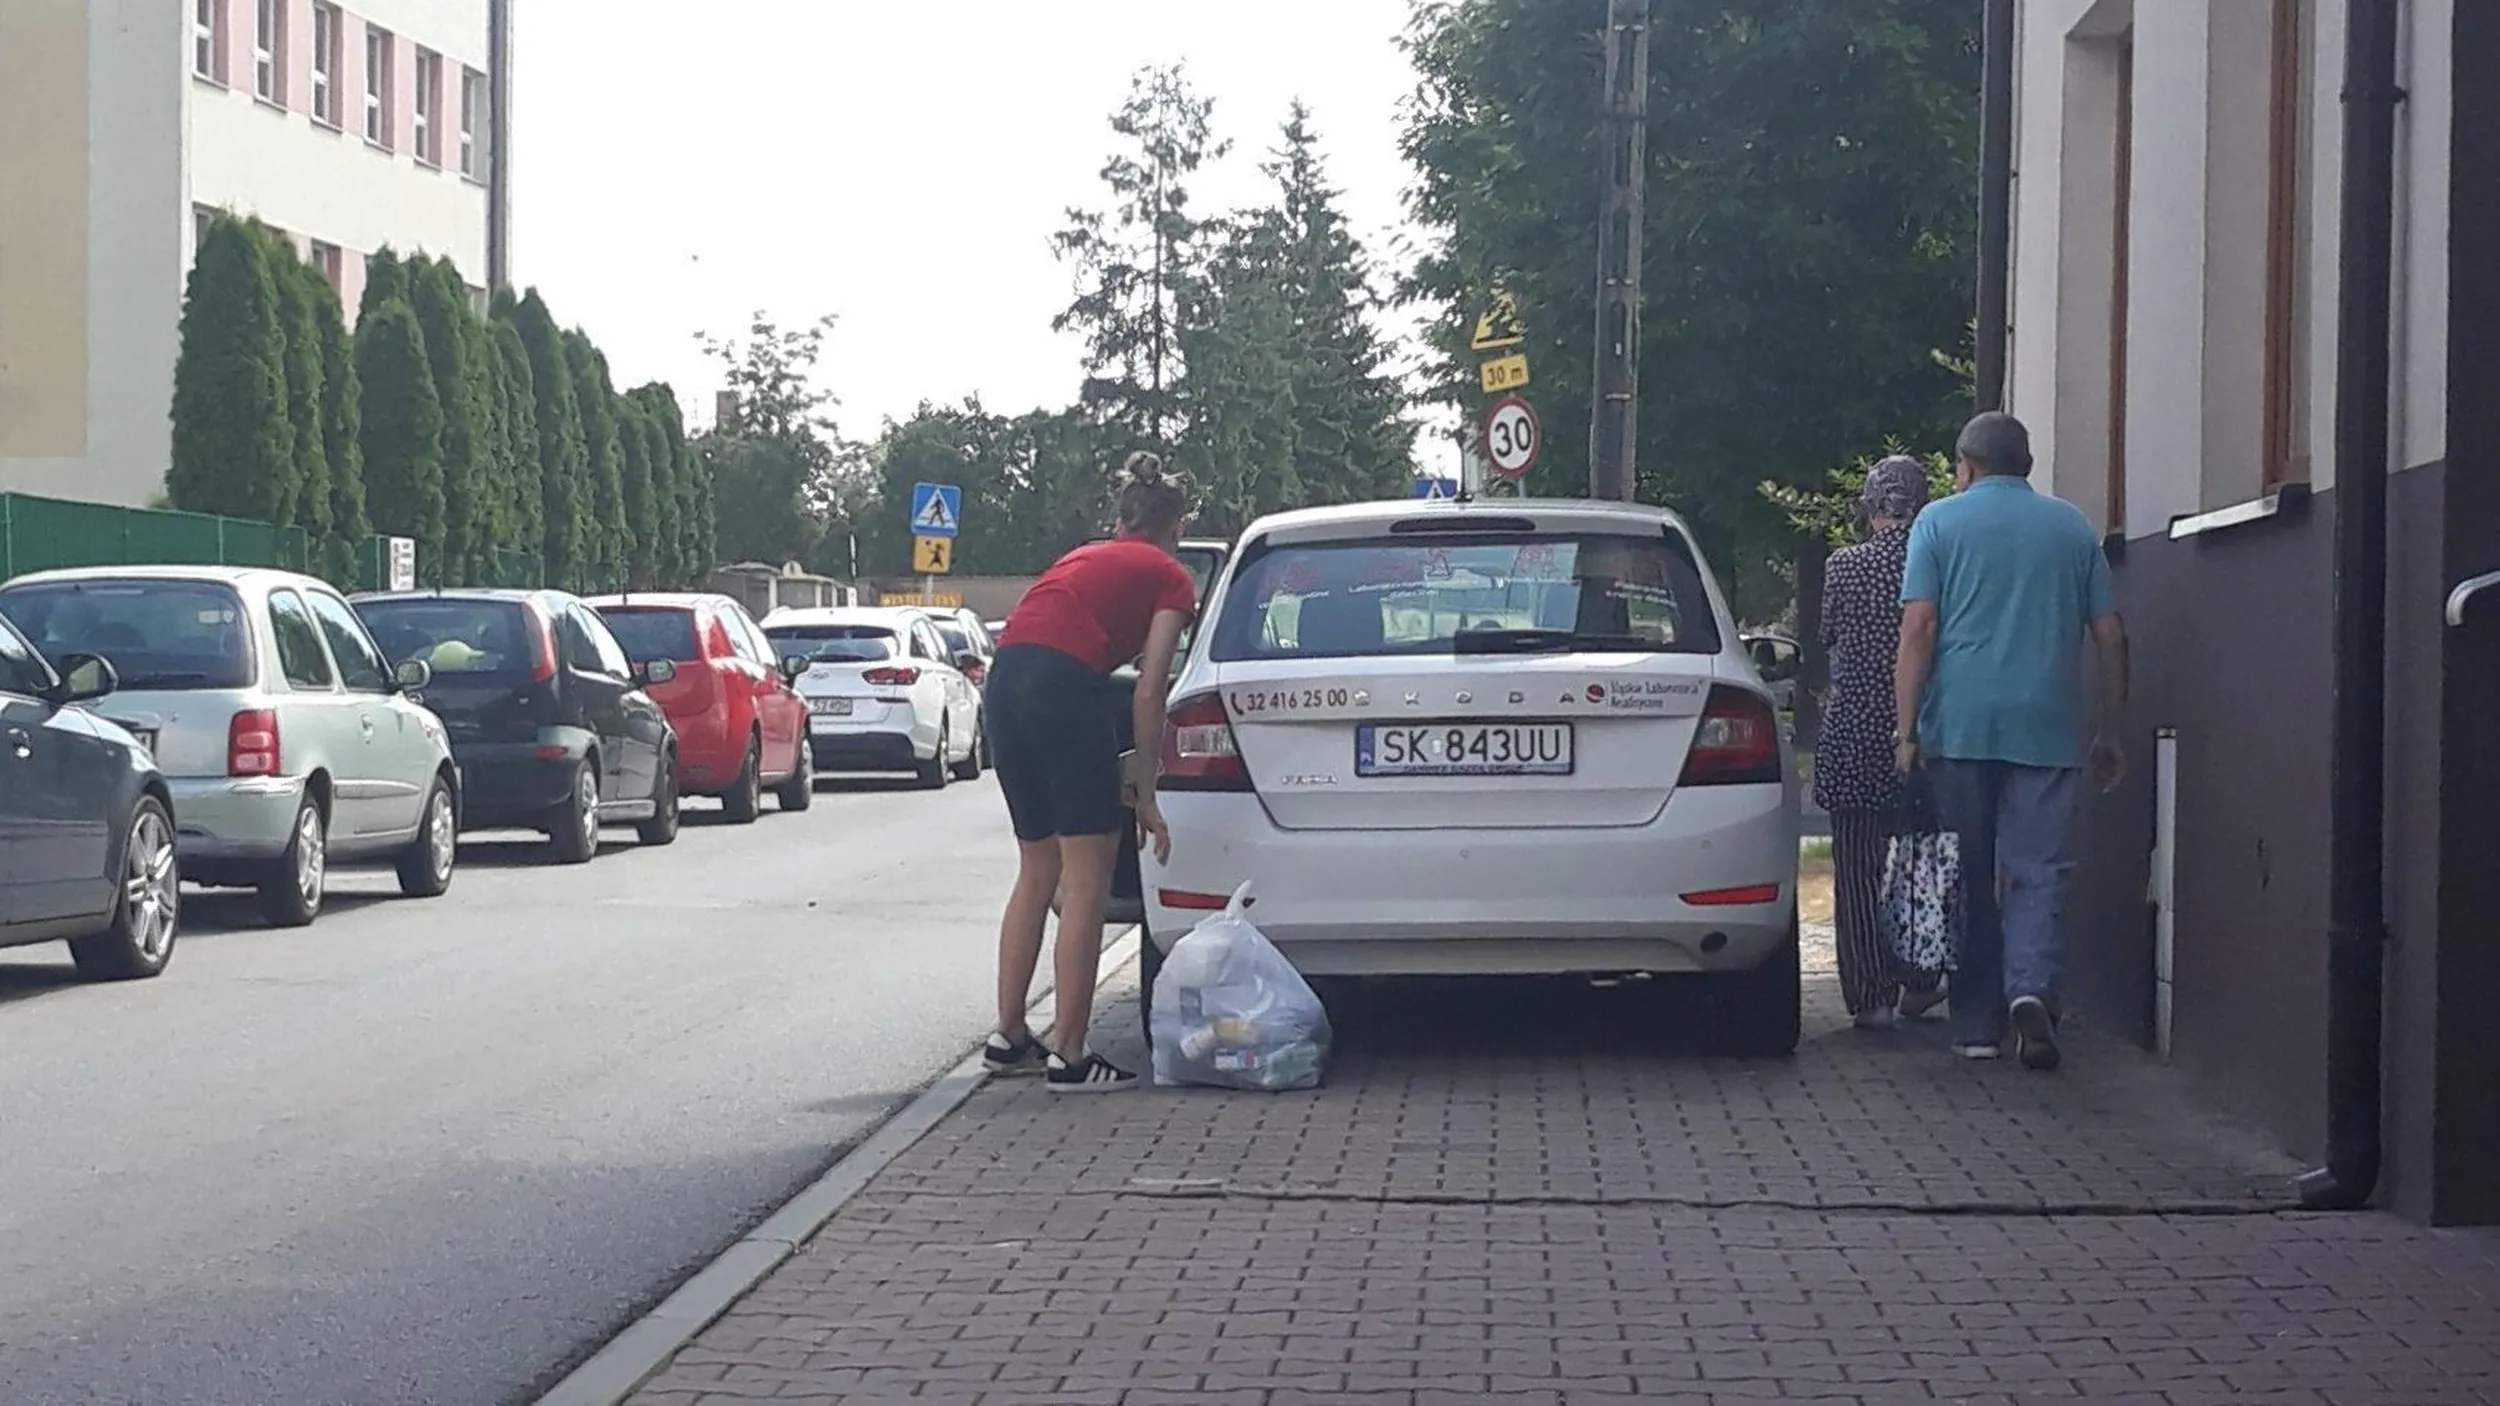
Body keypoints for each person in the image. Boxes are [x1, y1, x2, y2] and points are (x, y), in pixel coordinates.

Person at [1893, 412, 2129, 1071]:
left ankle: (1975, 1024)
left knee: (1966, 872)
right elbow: (2110, 635)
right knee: (2039, 870)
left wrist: (1906, 730)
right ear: (2026, 464)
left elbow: (1919, 628)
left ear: (1965, 465)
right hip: (2047, 724)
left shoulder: (1938, 523)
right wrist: (2111, 728)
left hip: (1961, 724)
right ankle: (2030, 990)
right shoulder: (2071, 527)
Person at [981, 451, 1198, 1093]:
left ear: (1124, 516)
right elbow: (1150, 690)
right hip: (1062, 689)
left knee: (1036, 867)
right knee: (1086, 881)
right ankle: (1071, 1055)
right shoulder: (1171, 578)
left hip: (1005, 683)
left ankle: (1009, 1033)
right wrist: (1149, 789)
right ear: (1177, 526)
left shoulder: (1085, 556)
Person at [1813, 455, 1946, 1031]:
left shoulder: (1845, 566)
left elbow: (1827, 635)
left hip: (1855, 729)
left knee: (1858, 866)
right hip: (1924, 727)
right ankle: (1920, 978)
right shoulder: (1937, 562)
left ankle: (1870, 996)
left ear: (1870, 509)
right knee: (1922, 861)